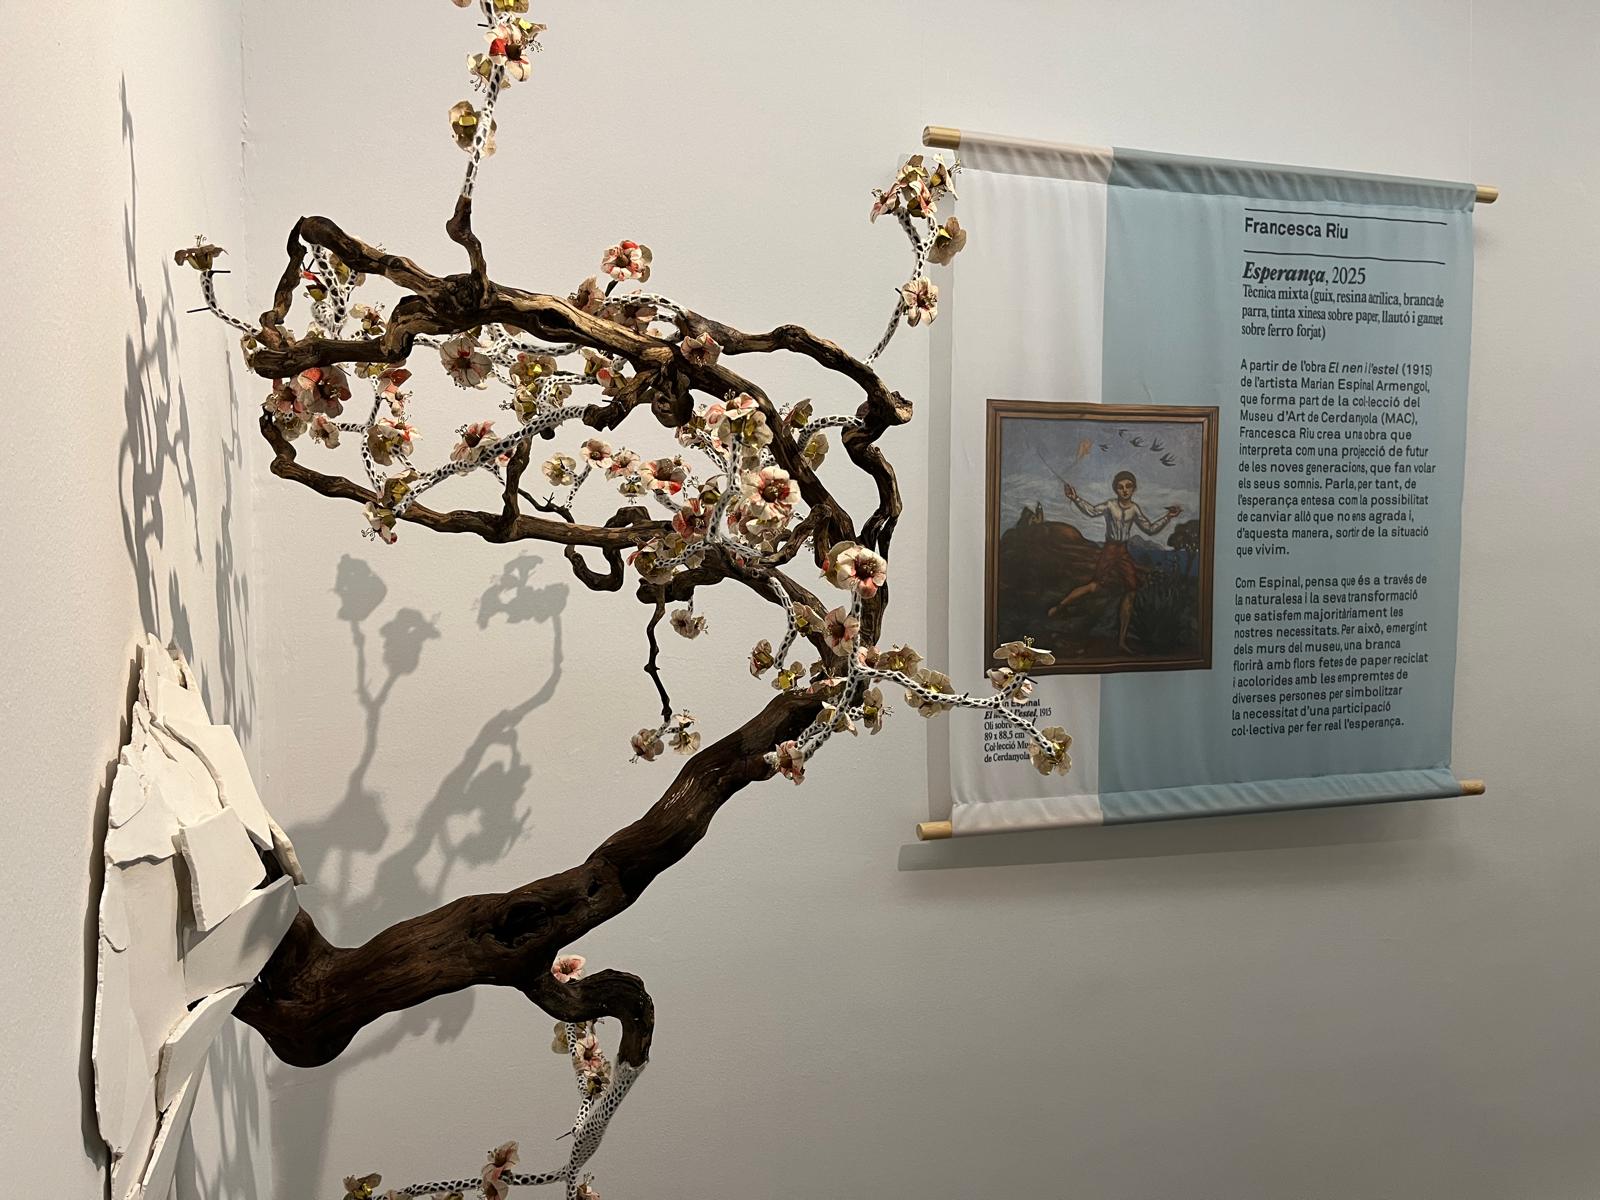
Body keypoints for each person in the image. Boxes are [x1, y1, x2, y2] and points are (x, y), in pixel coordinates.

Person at [1048, 470, 1182, 653]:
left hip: (1123, 551)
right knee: (1094, 586)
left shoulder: (1134, 509)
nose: (1125, 490)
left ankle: (1122, 640)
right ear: (1115, 489)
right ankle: (1059, 606)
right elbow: (1092, 511)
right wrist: (1075, 498)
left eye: (1128, 486)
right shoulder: (1110, 505)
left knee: (1131, 591)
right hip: (1110, 550)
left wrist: (1168, 517)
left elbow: (1150, 529)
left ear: (1134, 488)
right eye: (1120, 487)